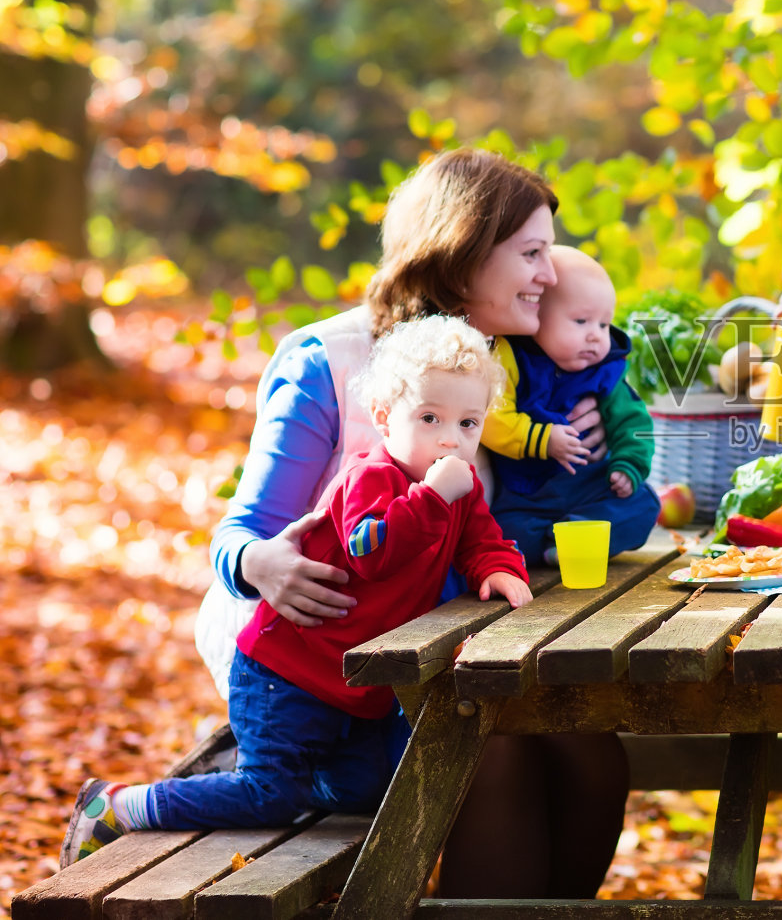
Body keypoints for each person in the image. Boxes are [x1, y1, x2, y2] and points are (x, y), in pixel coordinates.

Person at [191, 147, 628, 898]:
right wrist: (260, 563)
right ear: (461, 254)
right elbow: (240, 532)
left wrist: (595, 447)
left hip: (436, 649)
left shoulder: (517, 368)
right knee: (493, 752)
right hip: (316, 671)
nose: (550, 274)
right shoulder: (330, 360)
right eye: (530, 252)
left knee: (593, 749)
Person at [61, 317, 533, 864]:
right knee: (272, 797)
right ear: (383, 418)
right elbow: (372, 550)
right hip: (288, 671)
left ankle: (252, 774)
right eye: (430, 418)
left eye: (469, 423)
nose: (451, 439)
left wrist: (496, 569)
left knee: (371, 789)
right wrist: (430, 499)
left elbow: (482, 539)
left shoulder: (459, 486)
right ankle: (122, 806)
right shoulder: (370, 478)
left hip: (356, 684)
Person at [484, 246, 660, 565]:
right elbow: (491, 418)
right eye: (581, 321)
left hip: (590, 489)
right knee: (504, 530)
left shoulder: (605, 372)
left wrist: (628, 466)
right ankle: (558, 545)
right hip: (527, 495)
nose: (596, 336)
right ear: (536, 315)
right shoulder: (510, 359)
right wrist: (541, 439)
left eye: (604, 325)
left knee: (644, 505)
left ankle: (567, 539)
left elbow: (634, 424)